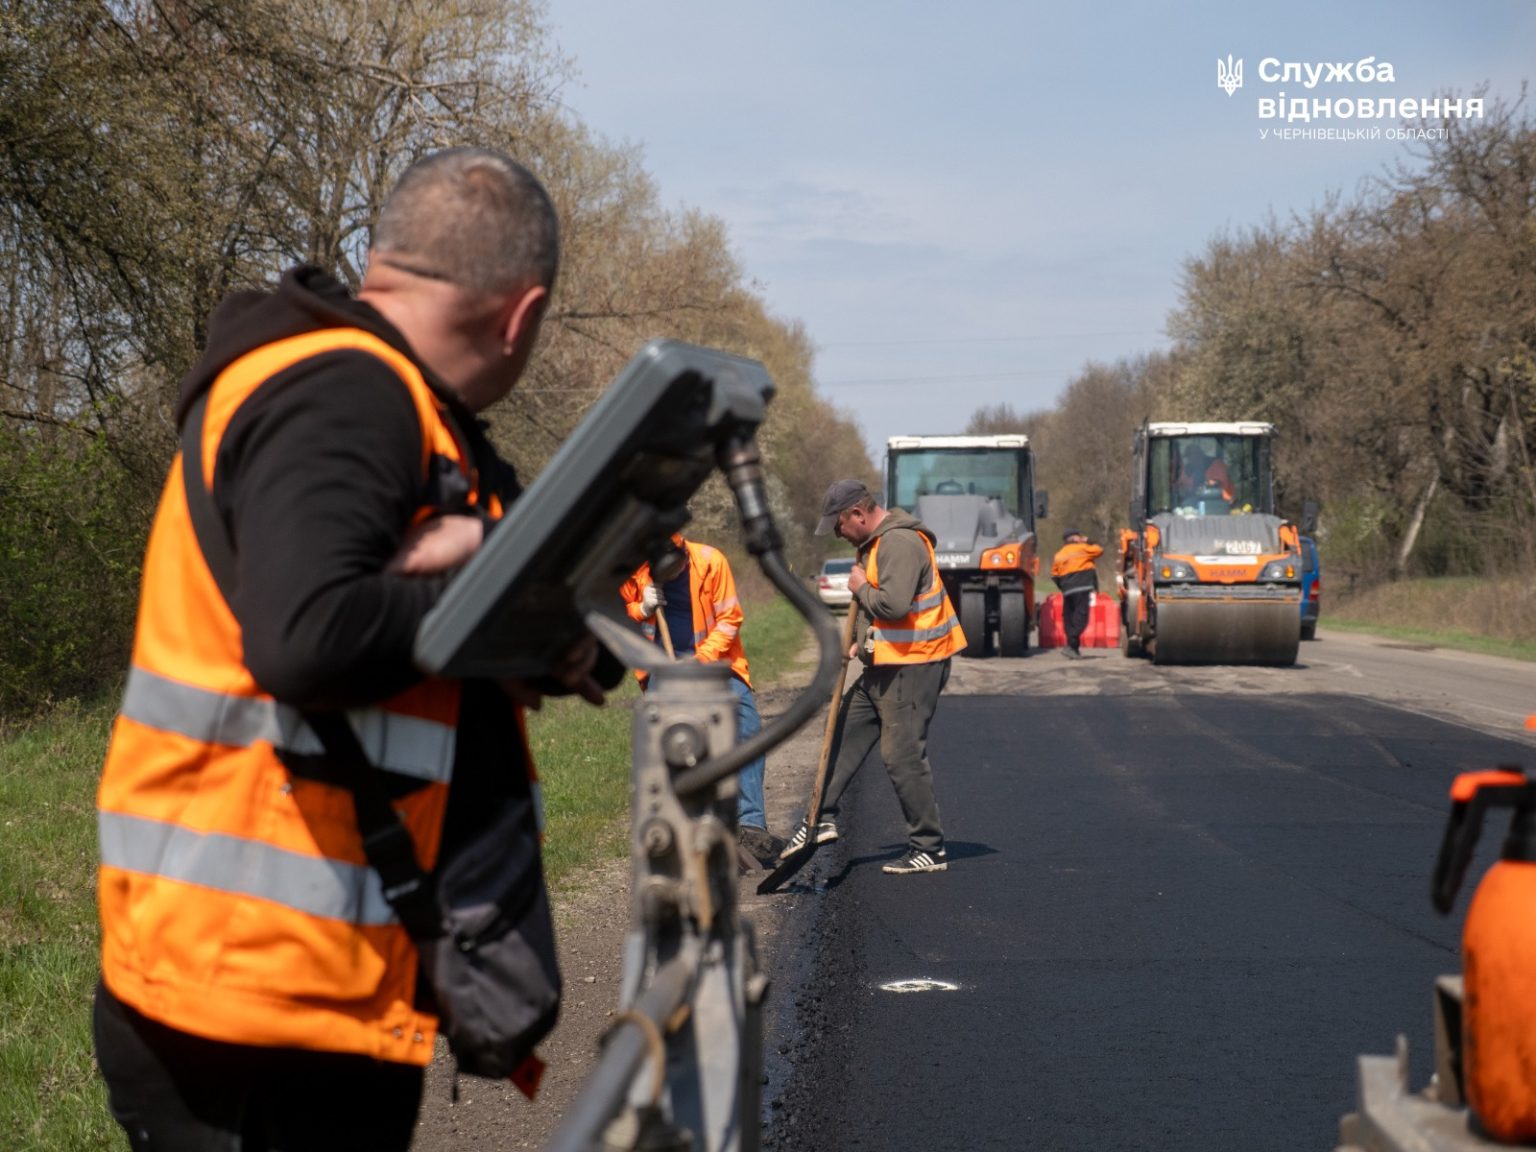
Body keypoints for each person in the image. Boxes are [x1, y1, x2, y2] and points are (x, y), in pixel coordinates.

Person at [92, 148, 619, 1151]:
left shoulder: (428, 418)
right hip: (245, 999)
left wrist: (499, 573)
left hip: (317, 978)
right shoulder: (345, 392)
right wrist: (475, 582)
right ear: (522, 315)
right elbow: (311, 639)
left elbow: (585, 633)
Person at [781, 480, 966, 875]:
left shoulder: (900, 542)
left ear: (858, 515)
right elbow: (878, 610)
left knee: (900, 754)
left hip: (916, 662)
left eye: (838, 525)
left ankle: (928, 847)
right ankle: (820, 819)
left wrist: (861, 585)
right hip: (886, 661)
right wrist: (860, 644)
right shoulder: (875, 545)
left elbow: (894, 606)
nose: (837, 533)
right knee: (844, 730)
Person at [621, 534, 784, 867]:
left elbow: (730, 620)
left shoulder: (711, 561)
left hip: (717, 666)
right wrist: (641, 608)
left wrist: (700, 661)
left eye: (678, 564)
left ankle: (749, 827)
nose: (675, 570)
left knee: (746, 727)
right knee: (661, 747)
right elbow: (611, 616)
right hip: (662, 671)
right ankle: (675, 833)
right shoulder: (634, 573)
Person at [1051, 529, 1104, 658]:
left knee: (1069, 617)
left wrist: (1064, 587)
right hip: (1082, 586)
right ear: (1074, 538)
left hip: (1067, 590)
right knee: (1081, 617)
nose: (1081, 537)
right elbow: (1099, 550)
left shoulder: (1059, 554)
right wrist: (1088, 540)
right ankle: (1070, 645)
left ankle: (1073, 648)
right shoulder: (1083, 548)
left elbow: (1054, 575)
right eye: (1079, 536)